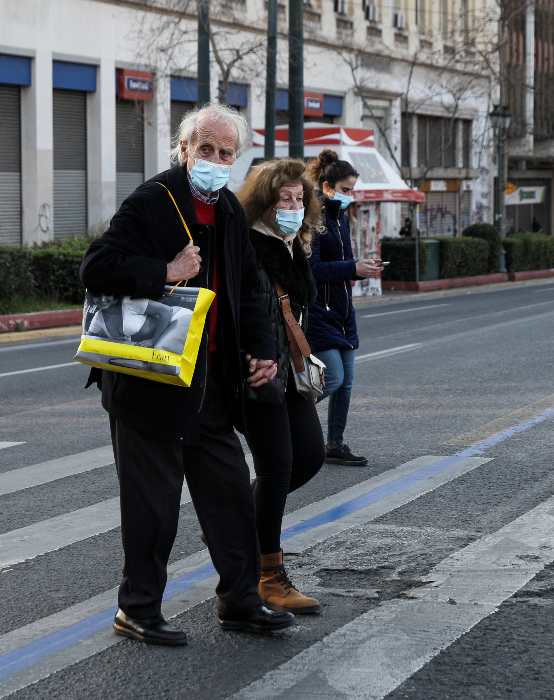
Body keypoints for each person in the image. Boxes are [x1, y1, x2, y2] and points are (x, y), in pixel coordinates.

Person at [79, 104, 294, 646]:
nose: (216, 162)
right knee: (153, 509)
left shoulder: (226, 209)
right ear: (184, 150)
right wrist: (164, 272)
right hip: (151, 387)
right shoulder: (154, 200)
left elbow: (248, 291)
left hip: (211, 387)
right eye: (207, 150)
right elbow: (95, 267)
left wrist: (263, 350)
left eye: (227, 154)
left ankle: (241, 603)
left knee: (229, 499)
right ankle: (138, 609)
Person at [235, 158, 326, 614]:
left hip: (288, 374)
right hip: (257, 375)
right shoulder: (248, 244)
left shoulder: (291, 246)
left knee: (308, 458)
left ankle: (239, 534)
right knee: (276, 469)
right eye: (283, 198)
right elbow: (236, 309)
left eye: (298, 198)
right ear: (264, 201)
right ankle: (267, 575)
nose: (292, 205)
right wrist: (249, 357)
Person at [306, 149, 382, 467]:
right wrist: (353, 268)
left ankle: (334, 444)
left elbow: (341, 264)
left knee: (347, 382)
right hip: (318, 310)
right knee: (333, 377)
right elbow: (313, 269)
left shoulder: (341, 217)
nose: (351, 196)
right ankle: (287, 418)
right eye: (346, 189)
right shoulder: (313, 218)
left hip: (342, 310)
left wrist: (361, 267)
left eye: (353, 190)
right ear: (327, 186)